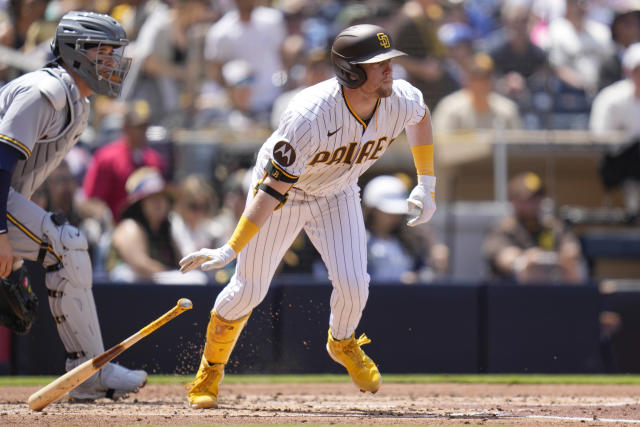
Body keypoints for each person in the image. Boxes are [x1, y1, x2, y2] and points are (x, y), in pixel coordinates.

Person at [179, 23, 438, 408]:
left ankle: (342, 341)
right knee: (248, 289)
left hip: (337, 190)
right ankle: (211, 368)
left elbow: (420, 116)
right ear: (351, 71)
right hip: (284, 193)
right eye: (377, 63)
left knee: (355, 283)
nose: (389, 69)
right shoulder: (309, 115)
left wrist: (426, 183)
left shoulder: (399, 97)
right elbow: (272, 190)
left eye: (389, 60)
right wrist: (231, 248)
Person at [0, 11, 147, 400]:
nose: (113, 63)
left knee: (67, 245)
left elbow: (18, 181)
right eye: (105, 53)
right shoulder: (43, 92)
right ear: (76, 52)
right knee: (65, 243)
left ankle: (89, 372)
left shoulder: (76, 102)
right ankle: (89, 372)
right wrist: (1, 234)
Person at [108, 167, 208, 285]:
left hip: (154, 291)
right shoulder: (129, 226)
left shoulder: (168, 228)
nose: (159, 202)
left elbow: (181, 263)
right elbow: (140, 265)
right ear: (140, 204)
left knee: (197, 278)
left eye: (162, 197)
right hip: (122, 294)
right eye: (152, 198)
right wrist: (173, 276)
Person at [482, 172, 585, 284]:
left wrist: (550, 259)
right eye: (528, 199)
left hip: (553, 290)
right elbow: (505, 259)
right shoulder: (502, 229)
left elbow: (572, 250)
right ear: (513, 201)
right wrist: (527, 259)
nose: (534, 203)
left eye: (538, 197)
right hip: (512, 294)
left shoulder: (551, 226)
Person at [82, 99, 166, 222]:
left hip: (148, 230)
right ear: (126, 127)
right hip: (116, 229)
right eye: (138, 127)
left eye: (145, 127)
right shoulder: (107, 158)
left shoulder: (155, 160)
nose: (143, 132)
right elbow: (92, 200)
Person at [363, 175, 448, 284]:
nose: (393, 217)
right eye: (387, 211)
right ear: (372, 210)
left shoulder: (409, 241)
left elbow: (425, 273)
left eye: (396, 212)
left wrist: (433, 264)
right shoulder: (359, 242)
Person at [432, 53, 523, 132]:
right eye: (475, 77)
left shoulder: (506, 109)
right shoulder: (450, 108)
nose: (481, 83)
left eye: (485, 77)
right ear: (466, 80)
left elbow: (519, 147)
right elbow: (440, 145)